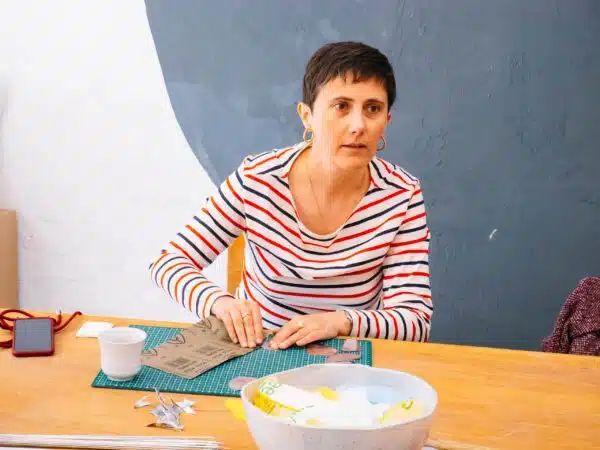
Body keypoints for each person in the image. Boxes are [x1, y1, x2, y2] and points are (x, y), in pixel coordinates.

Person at [149, 41, 432, 350]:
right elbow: (169, 263)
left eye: (373, 109)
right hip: (259, 348)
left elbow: (415, 321)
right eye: (341, 106)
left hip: (348, 358)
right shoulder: (258, 178)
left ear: (387, 121)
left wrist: (338, 322)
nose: (358, 125)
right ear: (307, 116)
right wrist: (219, 302)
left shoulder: (402, 194)